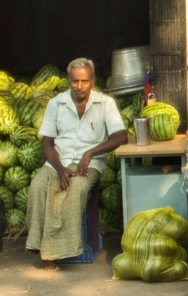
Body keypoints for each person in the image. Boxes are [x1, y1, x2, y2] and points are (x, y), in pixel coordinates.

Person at [26, 57, 127, 263]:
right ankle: (38, 245)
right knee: (37, 186)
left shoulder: (105, 103)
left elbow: (120, 136)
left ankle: (57, 253)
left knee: (74, 191)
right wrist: (61, 168)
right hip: (58, 161)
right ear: (68, 80)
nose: (79, 86)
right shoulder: (56, 104)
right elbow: (47, 143)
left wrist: (90, 153)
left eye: (84, 81)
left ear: (93, 81)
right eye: (74, 81)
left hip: (90, 164)